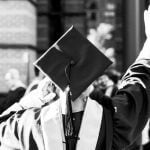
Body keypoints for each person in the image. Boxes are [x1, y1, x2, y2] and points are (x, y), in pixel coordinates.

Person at [0, 8, 150, 150]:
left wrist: (37, 97)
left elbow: (3, 124)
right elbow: (138, 87)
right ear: (88, 89)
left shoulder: (28, 126)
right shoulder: (106, 125)